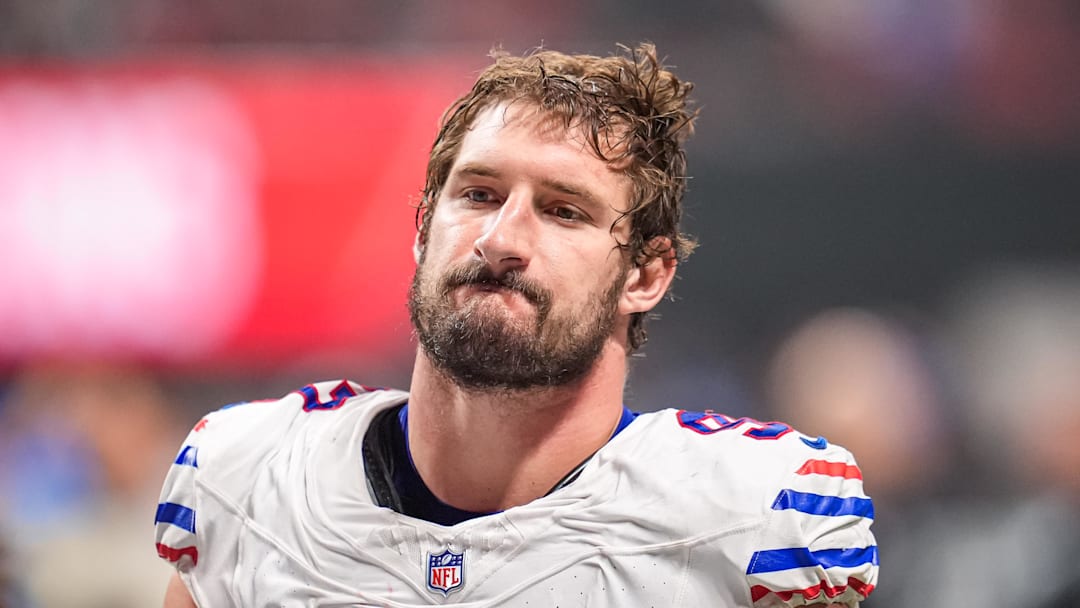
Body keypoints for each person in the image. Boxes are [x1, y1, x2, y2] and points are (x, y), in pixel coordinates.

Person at [156, 44, 878, 607]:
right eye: (478, 193)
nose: (501, 237)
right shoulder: (246, 478)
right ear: (420, 232)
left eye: (564, 210)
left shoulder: (753, 516)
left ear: (645, 275)